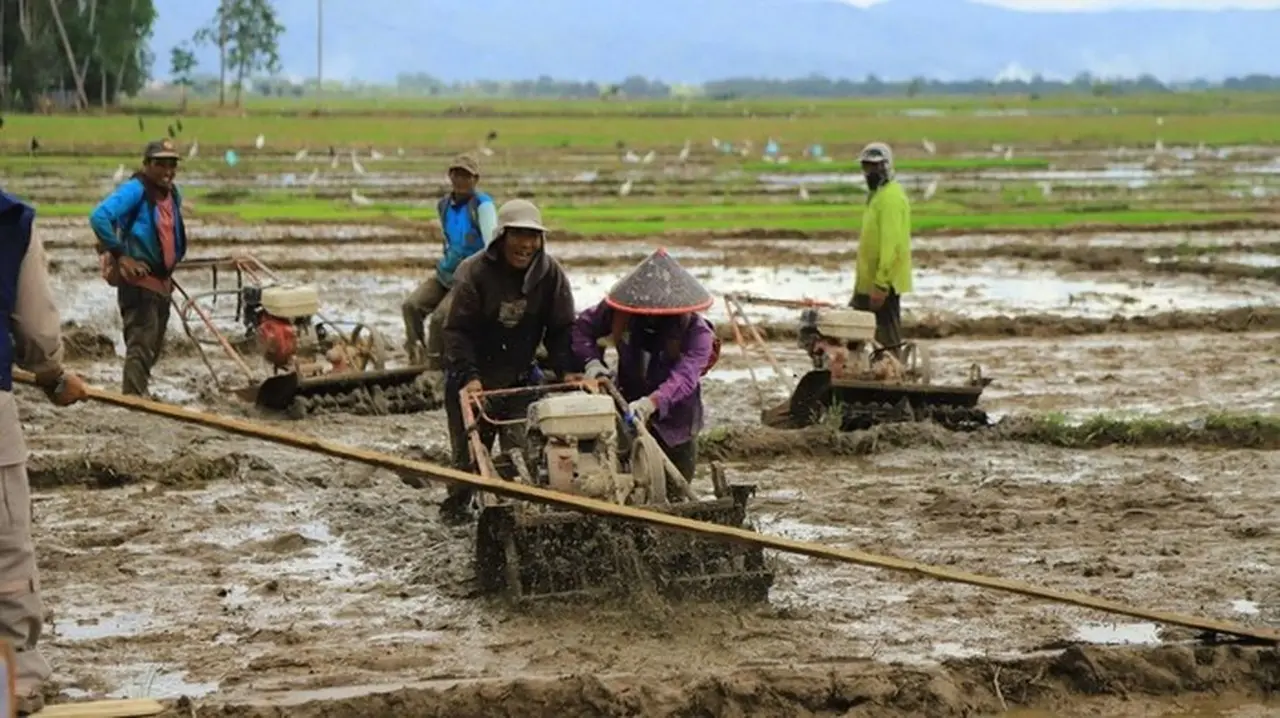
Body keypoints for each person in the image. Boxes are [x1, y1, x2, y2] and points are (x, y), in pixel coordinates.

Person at [1, 189, 89, 716]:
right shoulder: (9, 219)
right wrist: (52, 373)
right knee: (6, 551)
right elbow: (34, 329)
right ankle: (12, 684)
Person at [440, 199, 578, 522]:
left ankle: (513, 518)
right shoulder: (474, 273)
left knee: (520, 457)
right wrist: (470, 376)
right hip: (473, 380)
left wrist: (567, 370)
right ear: (501, 236)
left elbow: (561, 329)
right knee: (468, 463)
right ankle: (457, 515)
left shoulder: (550, 275)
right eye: (518, 235)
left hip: (519, 380)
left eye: (533, 236)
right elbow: (457, 331)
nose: (525, 244)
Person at [572, 248, 719, 483]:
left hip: (676, 423)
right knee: (626, 482)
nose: (651, 315)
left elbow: (685, 377)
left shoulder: (697, 333)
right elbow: (581, 329)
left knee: (678, 489)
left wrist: (652, 403)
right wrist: (592, 363)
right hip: (627, 408)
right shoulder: (619, 313)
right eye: (646, 311)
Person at [89, 139, 189, 397]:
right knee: (141, 346)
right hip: (139, 282)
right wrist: (122, 256)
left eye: (172, 164)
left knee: (152, 348)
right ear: (146, 165)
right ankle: (133, 400)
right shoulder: (136, 190)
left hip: (161, 283)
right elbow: (99, 216)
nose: (168, 170)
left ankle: (138, 393)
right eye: (160, 164)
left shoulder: (172, 193)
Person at [402, 153, 497, 368]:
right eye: (457, 175)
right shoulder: (443, 205)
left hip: (469, 277)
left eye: (466, 176)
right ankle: (416, 356)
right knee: (411, 306)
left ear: (475, 179)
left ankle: (435, 367)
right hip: (446, 273)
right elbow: (449, 240)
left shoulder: (482, 206)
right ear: (450, 176)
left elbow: (491, 245)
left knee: (440, 318)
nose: (461, 180)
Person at [850, 141, 913, 358]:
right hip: (868, 282)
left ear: (886, 166)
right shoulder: (877, 196)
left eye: (874, 166)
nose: (869, 172)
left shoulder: (891, 198)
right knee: (850, 331)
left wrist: (881, 285)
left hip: (883, 284)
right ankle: (855, 371)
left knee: (886, 340)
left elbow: (892, 246)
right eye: (866, 167)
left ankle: (892, 373)